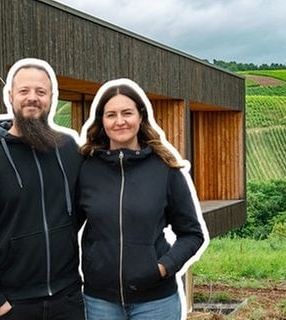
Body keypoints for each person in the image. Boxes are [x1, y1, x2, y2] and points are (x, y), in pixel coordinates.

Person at [77, 78, 208, 320]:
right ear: (101, 121)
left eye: (127, 113)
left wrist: (162, 268)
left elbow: (192, 234)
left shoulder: (165, 169)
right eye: (111, 115)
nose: (120, 121)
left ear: (141, 116)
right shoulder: (86, 169)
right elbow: (65, 226)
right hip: (99, 302)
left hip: (156, 302)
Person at [0, 58, 85, 320]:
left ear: (51, 98)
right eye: (24, 91)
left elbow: (83, 208)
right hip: (12, 305)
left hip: (68, 299)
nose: (32, 98)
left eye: (41, 92)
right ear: (11, 96)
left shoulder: (69, 149)